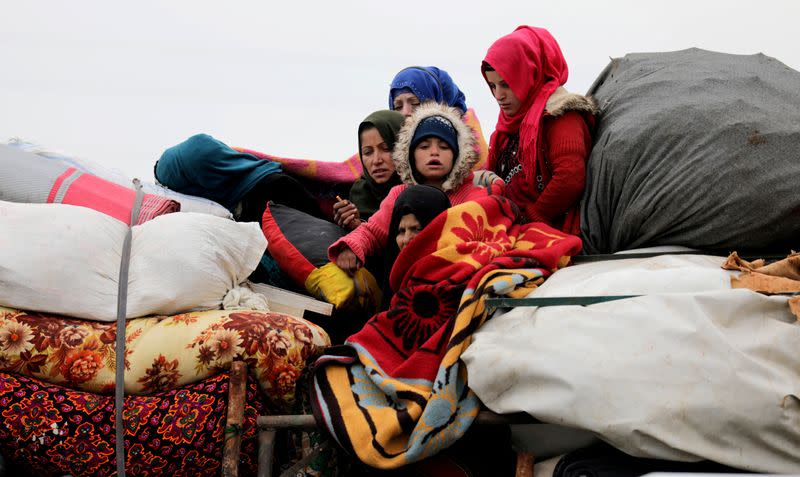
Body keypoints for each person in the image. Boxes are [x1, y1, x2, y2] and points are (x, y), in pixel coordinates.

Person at [330, 102, 497, 275]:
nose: (434, 152)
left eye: (444, 146)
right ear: (409, 154)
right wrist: (351, 247)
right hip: (404, 283)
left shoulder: (471, 195)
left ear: (458, 154)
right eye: (424, 146)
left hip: (453, 279)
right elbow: (373, 232)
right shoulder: (400, 194)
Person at [482, 26, 597, 235]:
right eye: (492, 86)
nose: (498, 95)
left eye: (506, 84)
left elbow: (569, 178)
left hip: (552, 230)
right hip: (512, 227)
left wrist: (533, 217)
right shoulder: (507, 125)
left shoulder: (561, 113)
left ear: (530, 74)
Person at [380, 184, 451, 309]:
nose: (406, 239)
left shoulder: (458, 281)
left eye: (416, 229)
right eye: (401, 231)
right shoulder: (395, 285)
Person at [332, 110, 405, 230]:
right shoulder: (360, 193)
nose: (376, 160)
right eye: (368, 152)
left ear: (404, 149)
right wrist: (354, 224)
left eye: (386, 149)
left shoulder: (419, 191)